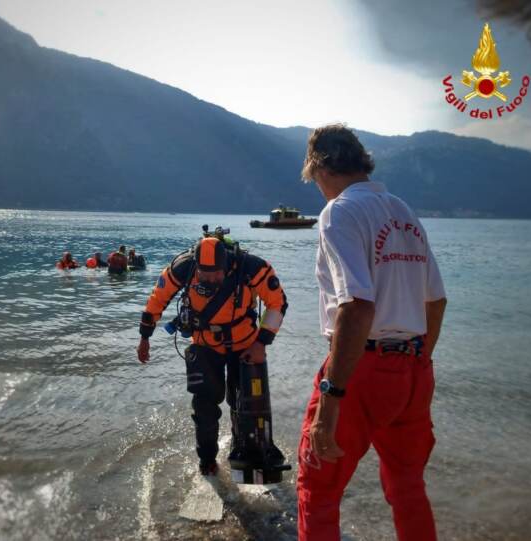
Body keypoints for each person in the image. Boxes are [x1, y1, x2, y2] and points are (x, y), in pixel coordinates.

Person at [296, 124, 447, 541]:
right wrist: (420, 360)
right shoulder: (403, 211)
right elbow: (436, 301)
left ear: (320, 168)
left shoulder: (339, 212)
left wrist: (331, 400)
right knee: (407, 485)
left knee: (318, 488)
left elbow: (356, 305)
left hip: (362, 370)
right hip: (414, 369)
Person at [137, 235, 288, 475]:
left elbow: (277, 302)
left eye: (216, 273)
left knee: (246, 403)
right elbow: (157, 300)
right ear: (196, 266)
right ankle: (207, 460)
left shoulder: (251, 267)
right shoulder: (182, 268)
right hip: (205, 346)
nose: (210, 279)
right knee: (204, 408)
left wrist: (261, 343)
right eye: (205, 274)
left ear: (226, 264)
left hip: (246, 346)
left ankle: (250, 453)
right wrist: (145, 337)